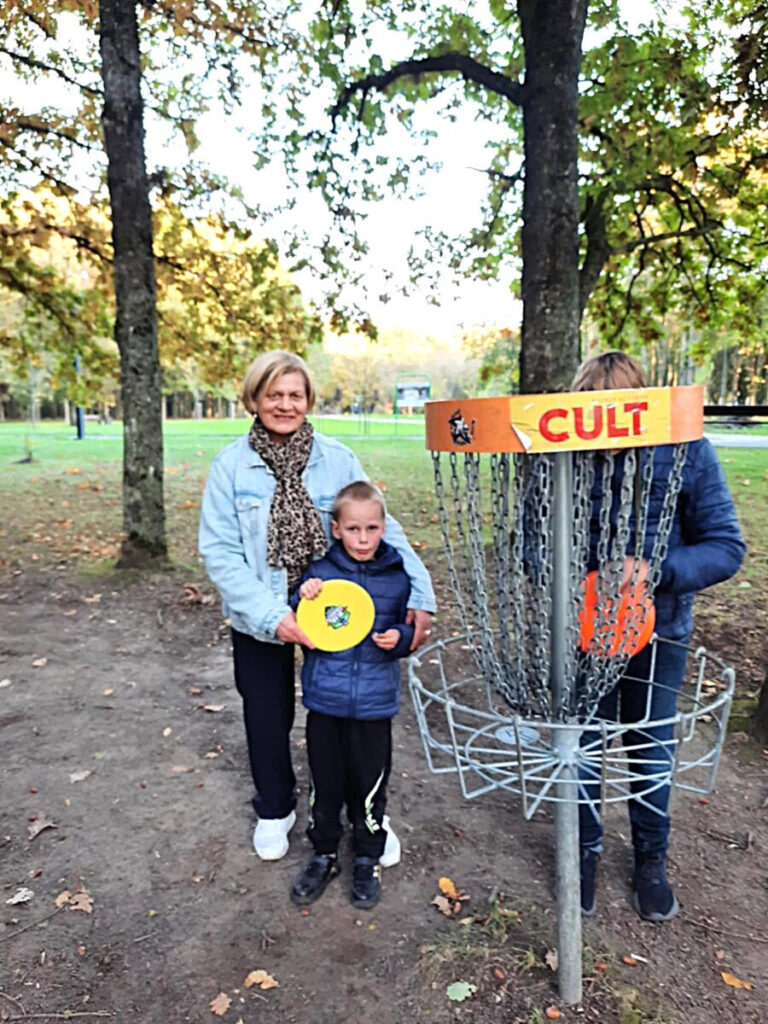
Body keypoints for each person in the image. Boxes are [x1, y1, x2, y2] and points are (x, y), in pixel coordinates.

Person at [198, 351, 435, 864]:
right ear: (255, 398)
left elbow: (382, 527)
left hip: (339, 607)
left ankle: (368, 817)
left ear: (308, 400)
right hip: (263, 610)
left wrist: (421, 595)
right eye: (273, 394)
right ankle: (276, 807)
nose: (285, 404)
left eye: (295, 395)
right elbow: (220, 552)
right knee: (267, 714)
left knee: (350, 717)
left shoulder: (337, 459)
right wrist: (271, 615)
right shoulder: (231, 466)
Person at [573, 351, 745, 922]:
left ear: (640, 412)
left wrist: (658, 571)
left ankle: (651, 860)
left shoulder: (688, 451)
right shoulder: (564, 455)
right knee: (583, 746)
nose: (606, 442)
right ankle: (584, 854)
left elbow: (726, 546)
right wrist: (572, 578)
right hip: (582, 630)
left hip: (659, 631)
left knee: (650, 748)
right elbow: (528, 537)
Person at [288, 481, 414, 910]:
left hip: (375, 705)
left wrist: (400, 637)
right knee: (325, 784)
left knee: (369, 786)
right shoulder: (320, 576)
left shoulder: (398, 577)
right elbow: (302, 622)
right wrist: (302, 595)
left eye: (372, 529)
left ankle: (367, 856)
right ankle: (323, 853)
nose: (364, 539)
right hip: (326, 701)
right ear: (337, 529)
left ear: (383, 529)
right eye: (354, 529)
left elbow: (409, 628)